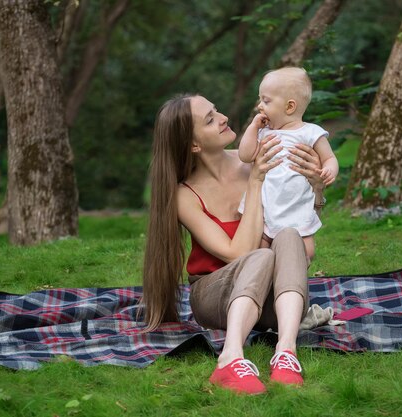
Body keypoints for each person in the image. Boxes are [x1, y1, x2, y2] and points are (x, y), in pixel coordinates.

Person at [142, 94, 327, 395]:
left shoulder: (255, 157)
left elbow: (302, 230)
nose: (224, 117)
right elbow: (238, 254)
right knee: (261, 257)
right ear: (193, 145)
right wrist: (255, 182)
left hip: (269, 299)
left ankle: (286, 352)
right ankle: (230, 358)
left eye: (216, 110)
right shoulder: (184, 195)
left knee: (289, 234)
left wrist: (315, 189)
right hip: (215, 295)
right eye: (210, 119)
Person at [238, 67, 339, 259]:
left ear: (290, 107)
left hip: (296, 209)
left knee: (307, 252)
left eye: (266, 101)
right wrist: (253, 127)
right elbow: (245, 155)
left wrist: (328, 171)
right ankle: (271, 281)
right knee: (260, 253)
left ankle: (291, 277)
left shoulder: (310, 133)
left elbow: (329, 158)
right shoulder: (263, 132)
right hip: (266, 211)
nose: (260, 106)